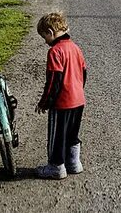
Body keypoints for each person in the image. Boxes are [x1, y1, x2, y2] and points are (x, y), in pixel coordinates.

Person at [35, 12, 87, 180]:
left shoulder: (55, 52)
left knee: (57, 135)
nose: (45, 42)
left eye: (44, 37)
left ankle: (56, 166)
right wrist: (78, 89)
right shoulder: (75, 47)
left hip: (62, 103)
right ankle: (74, 163)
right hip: (78, 99)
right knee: (72, 133)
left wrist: (45, 102)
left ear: (50, 32)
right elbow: (84, 72)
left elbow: (53, 82)